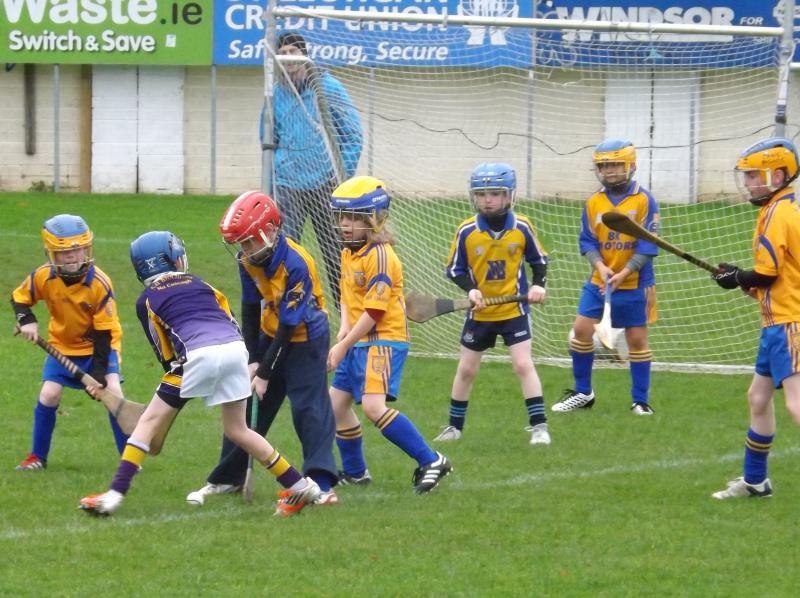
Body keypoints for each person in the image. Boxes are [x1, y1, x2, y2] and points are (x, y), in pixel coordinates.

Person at [78, 231, 319, 516]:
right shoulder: (203, 284)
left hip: (196, 356)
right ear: (172, 260)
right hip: (235, 352)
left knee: (148, 422)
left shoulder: (146, 300)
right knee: (238, 430)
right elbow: (230, 321)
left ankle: (114, 496)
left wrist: (176, 394)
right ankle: (300, 486)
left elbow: (166, 356)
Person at [186, 191, 339, 507]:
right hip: (272, 334)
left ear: (269, 231)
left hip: (306, 338)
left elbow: (290, 325)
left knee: (308, 407)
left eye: (248, 241)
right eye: (239, 244)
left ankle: (321, 483)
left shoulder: (298, 264)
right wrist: (253, 360)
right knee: (244, 405)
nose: (243, 250)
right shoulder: (248, 258)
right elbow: (250, 307)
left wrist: (267, 372)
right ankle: (229, 477)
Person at [327, 175, 452, 493]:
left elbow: (375, 312)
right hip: (357, 337)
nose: (345, 224)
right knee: (335, 405)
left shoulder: (382, 257)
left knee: (372, 407)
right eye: (342, 216)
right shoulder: (348, 251)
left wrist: (343, 346)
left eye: (354, 218)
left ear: (374, 219)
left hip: (383, 339)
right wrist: (343, 330)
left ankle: (432, 460)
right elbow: (346, 293)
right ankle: (356, 473)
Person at [433, 163, 551, 445]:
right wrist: (472, 291)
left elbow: (539, 261)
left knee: (523, 365)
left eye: (495, 193)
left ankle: (539, 427)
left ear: (509, 195)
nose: (488, 199)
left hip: (515, 310)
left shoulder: (521, 227)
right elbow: (454, 269)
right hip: (480, 313)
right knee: (467, 369)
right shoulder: (466, 231)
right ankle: (454, 427)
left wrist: (538, 286)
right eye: (482, 193)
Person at [710, 137, 800, 499]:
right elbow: (778, 274)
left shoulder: (779, 213)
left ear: (778, 175)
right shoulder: (783, 207)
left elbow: (767, 274)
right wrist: (739, 278)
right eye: (745, 176)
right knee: (758, 398)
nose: (748, 183)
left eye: (753, 176)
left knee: (796, 403)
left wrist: (737, 279)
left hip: (789, 322)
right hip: (775, 320)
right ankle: (755, 480)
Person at [551, 139, 660, 415]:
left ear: (631, 166)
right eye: (603, 166)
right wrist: (600, 267)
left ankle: (640, 401)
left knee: (637, 340)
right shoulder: (594, 202)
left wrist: (625, 271)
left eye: (615, 165)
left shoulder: (644, 200)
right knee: (581, 331)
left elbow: (648, 245)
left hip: (636, 283)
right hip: (600, 282)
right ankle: (583, 392)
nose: (609, 171)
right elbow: (587, 241)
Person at [11, 214, 127, 471]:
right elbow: (19, 298)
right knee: (49, 393)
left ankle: (129, 459)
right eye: (65, 253)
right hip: (62, 347)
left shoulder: (99, 283)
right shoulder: (43, 277)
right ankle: (37, 457)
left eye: (80, 250)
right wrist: (27, 319)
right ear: (52, 253)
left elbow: (103, 335)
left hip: (101, 346)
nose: (74, 257)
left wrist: (97, 376)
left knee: (113, 393)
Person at [266, 32, 363, 307]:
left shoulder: (327, 87)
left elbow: (353, 136)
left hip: (325, 185)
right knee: (285, 254)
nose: (288, 58)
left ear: (304, 56)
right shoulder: (275, 94)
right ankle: (288, 316)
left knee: (337, 255)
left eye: (293, 52)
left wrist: (342, 180)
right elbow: (268, 138)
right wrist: (277, 171)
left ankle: (348, 315)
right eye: (282, 53)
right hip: (287, 187)